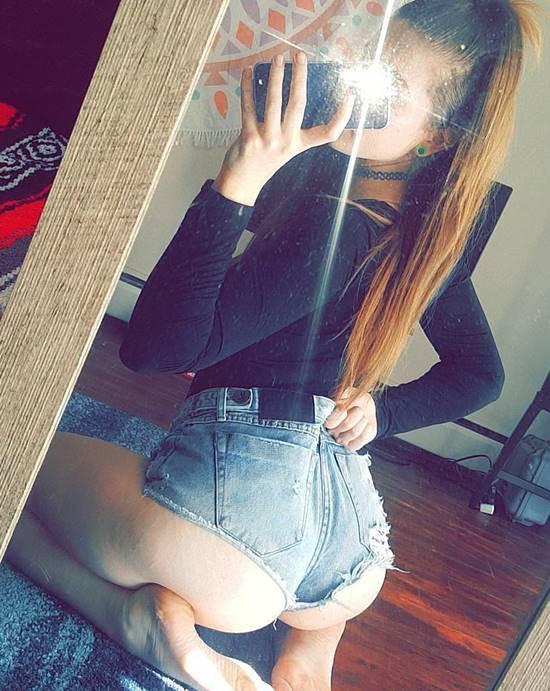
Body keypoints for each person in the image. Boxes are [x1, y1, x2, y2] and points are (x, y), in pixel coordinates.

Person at [6, 1, 541, 689]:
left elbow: (155, 349)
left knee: (15, 451)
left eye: (390, 86)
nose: (359, 85)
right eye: (368, 61)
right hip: (348, 557)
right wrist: (385, 412)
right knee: (301, 609)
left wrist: (239, 172)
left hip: (233, 548)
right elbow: (481, 374)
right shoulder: (418, 237)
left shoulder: (333, 226)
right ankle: (305, 659)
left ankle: (135, 619)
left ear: (435, 136)